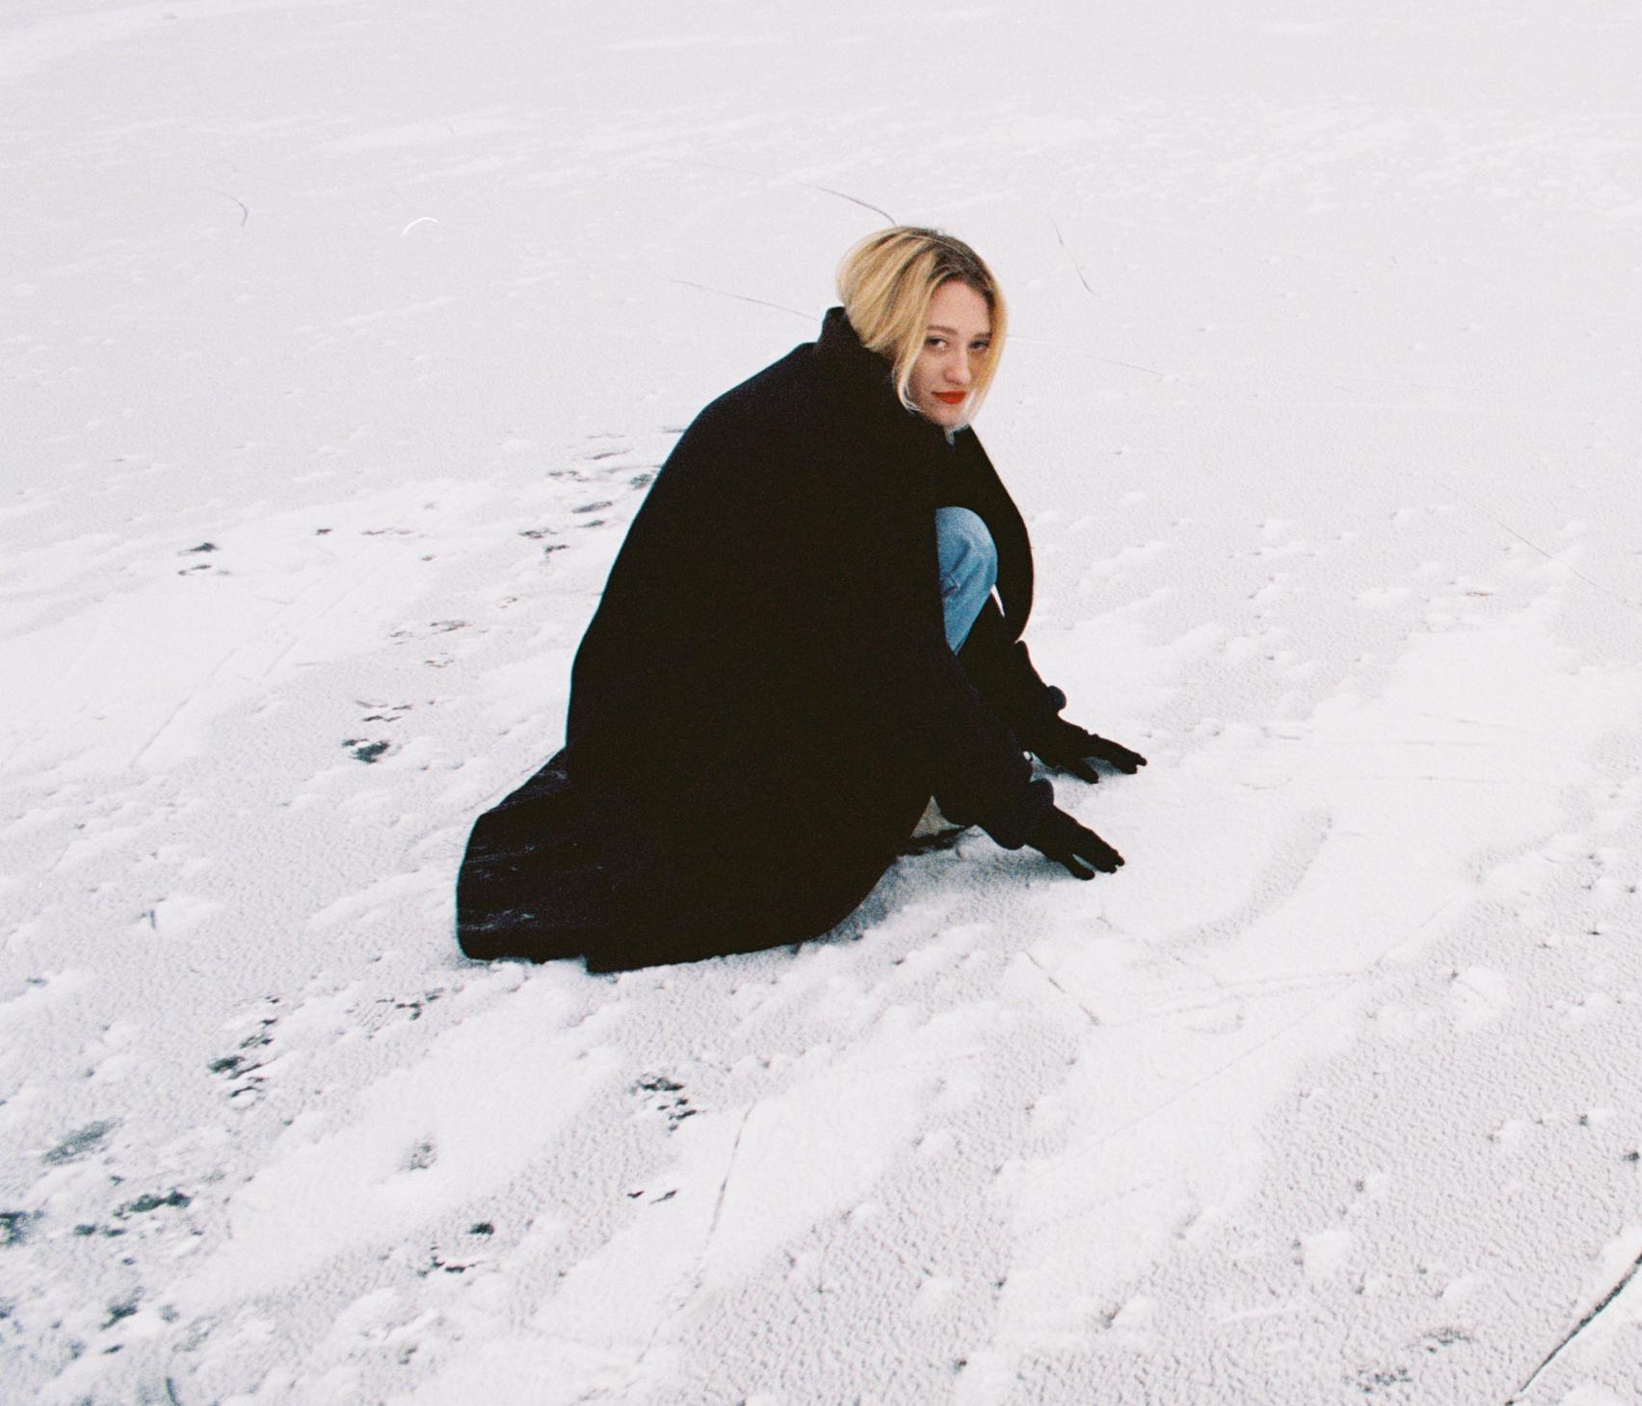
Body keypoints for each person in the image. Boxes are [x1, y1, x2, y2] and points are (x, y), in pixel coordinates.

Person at [454, 227, 1144, 972]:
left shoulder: (876, 398)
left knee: (962, 542)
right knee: (852, 798)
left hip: (756, 662)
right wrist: (1015, 806)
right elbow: (900, 651)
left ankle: (895, 768)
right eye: (936, 340)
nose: (960, 371)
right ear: (888, 325)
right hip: (689, 739)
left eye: (977, 346)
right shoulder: (831, 439)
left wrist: (1033, 719)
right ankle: (880, 789)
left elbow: (917, 604)